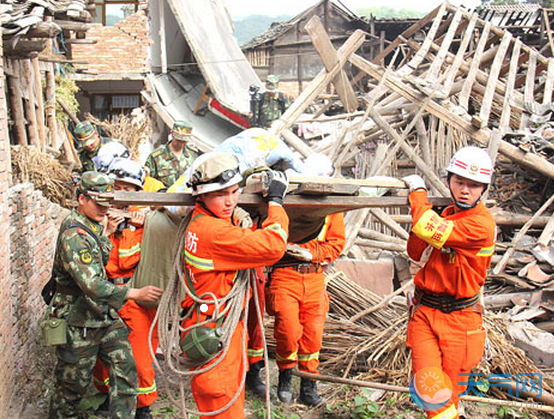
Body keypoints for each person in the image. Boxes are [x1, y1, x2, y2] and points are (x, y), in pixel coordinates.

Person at [180, 152, 289, 418]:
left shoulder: (202, 222)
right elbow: (273, 245)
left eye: (233, 191)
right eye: (220, 195)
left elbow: (234, 236)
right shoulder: (214, 232)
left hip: (212, 328)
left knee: (225, 400)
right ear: (201, 196)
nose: (230, 201)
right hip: (216, 335)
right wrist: (275, 202)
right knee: (223, 402)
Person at [47, 171, 164, 419]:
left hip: (101, 316)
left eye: (106, 205)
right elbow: (93, 285)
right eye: (98, 204)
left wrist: (107, 233)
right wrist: (135, 292)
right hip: (77, 321)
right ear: (81, 199)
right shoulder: (74, 235)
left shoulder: (91, 227)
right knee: (71, 387)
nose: (103, 210)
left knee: (125, 368)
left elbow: (98, 255)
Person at [402, 146, 496, 419]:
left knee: (449, 397)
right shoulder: (446, 215)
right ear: (449, 182)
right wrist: (433, 216)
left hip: (461, 320)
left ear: (483, 189)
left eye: (474, 185)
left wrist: (418, 194)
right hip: (426, 314)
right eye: (460, 182)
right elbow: (414, 250)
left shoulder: (481, 225)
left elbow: (424, 227)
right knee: (432, 394)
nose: (466, 190)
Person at [91, 158, 158, 419]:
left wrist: (144, 223)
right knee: (101, 356)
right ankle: (109, 397)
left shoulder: (146, 222)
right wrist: (107, 230)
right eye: (118, 187)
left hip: (135, 298)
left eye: (129, 190)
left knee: (139, 356)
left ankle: (143, 408)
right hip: (103, 296)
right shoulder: (96, 219)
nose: (122, 194)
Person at [267, 212, 345, 406]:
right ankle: (285, 376)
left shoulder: (332, 209)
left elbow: (336, 244)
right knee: (288, 331)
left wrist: (313, 255)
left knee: (313, 336)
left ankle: (308, 387)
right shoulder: (282, 204)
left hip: (314, 277)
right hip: (284, 275)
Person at [145, 120, 200, 188]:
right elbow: (148, 182)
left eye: (184, 141)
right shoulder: (156, 157)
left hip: (188, 196)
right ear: (171, 133)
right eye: (178, 140)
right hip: (164, 196)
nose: (181, 144)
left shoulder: (194, 155)